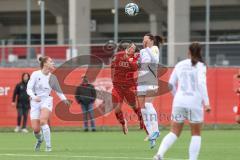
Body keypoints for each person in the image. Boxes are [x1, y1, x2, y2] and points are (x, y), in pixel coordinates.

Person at [153, 42, 211, 160]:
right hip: (194, 102)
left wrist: (177, 96)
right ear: (200, 52)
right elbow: (201, 83)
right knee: (196, 133)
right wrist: (207, 103)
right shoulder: (201, 66)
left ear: (188, 52)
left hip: (179, 101)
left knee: (174, 132)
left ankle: (159, 155)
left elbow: (170, 84)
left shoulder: (180, 64)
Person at [27, 56, 70, 152]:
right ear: (45, 63)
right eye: (51, 61)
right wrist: (34, 97)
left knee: (43, 121)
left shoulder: (53, 77)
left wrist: (65, 100)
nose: (53, 63)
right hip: (35, 102)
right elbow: (28, 89)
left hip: (46, 100)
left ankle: (48, 147)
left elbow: (58, 91)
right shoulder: (35, 74)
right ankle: (39, 140)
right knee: (36, 129)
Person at [111, 42, 144, 135]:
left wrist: (129, 60)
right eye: (130, 47)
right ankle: (123, 122)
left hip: (129, 86)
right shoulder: (118, 55)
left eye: (133, 48)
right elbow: (113, 65)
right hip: (117, 86)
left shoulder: (135, 58)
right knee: (116, 109)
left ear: (134, 50)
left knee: (134, 106)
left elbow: (134, 68)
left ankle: (141, 120)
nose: (131, 49)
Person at [137, 33, 163, 148]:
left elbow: (155, 60)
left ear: (151, 40)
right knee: (142, 109)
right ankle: (151, 134)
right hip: (141, 79)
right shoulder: (142, 51)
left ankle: (156, 130)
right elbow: (140, 65)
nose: (143, 41)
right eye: (143, 40)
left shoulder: (154, 48)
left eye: (145, 39)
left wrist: (147, 48)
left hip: (151, 78)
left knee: (148, 104)